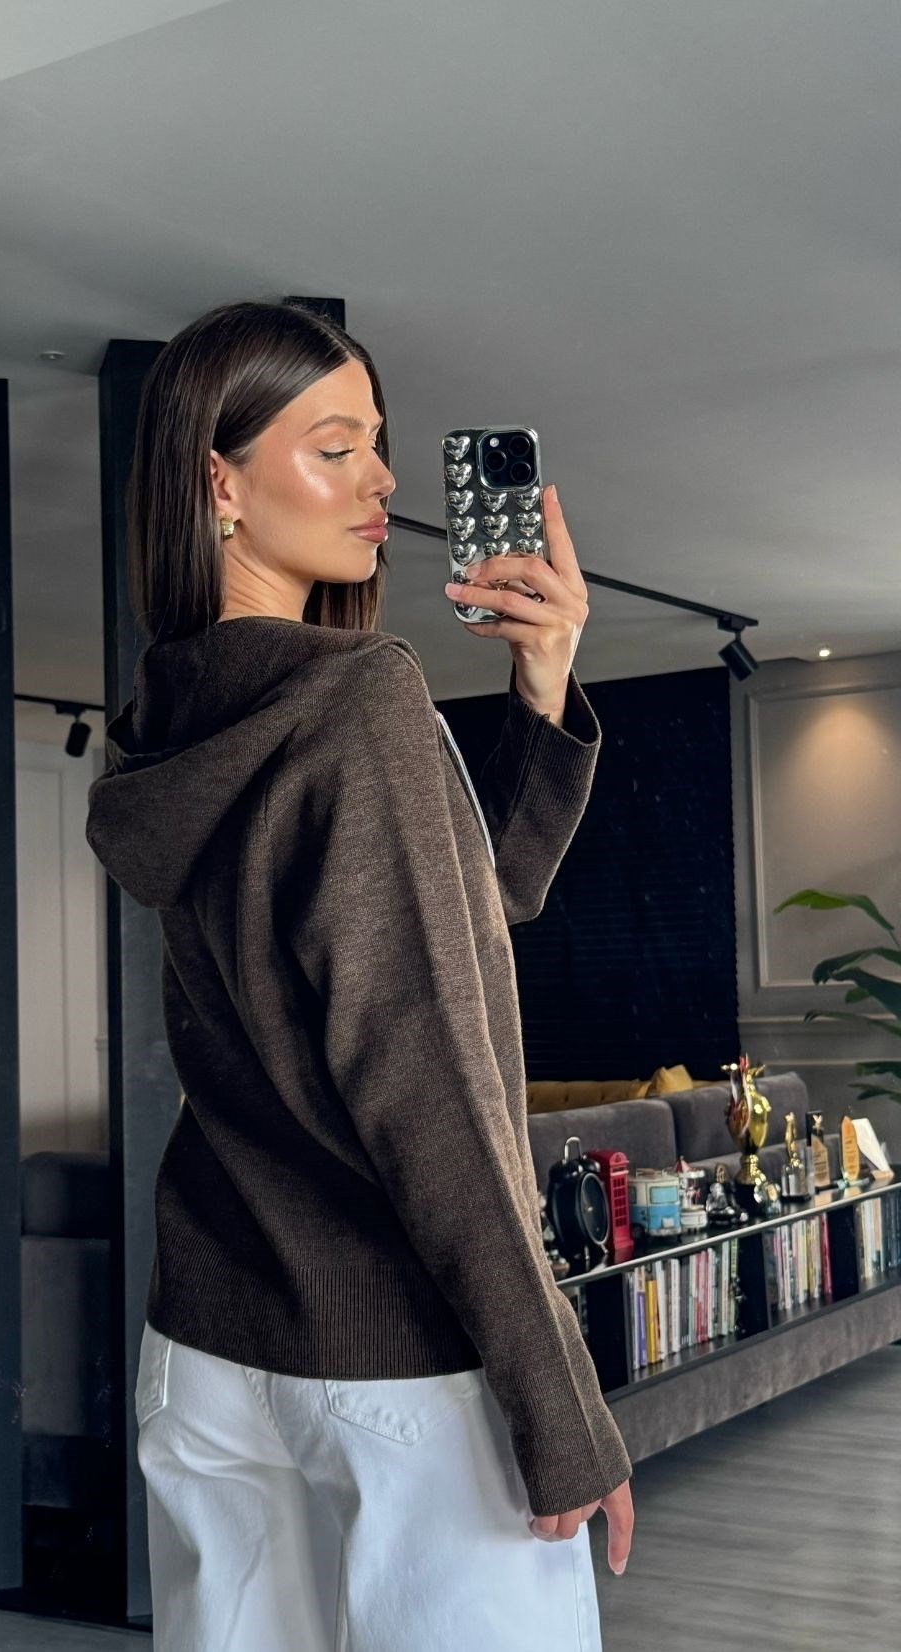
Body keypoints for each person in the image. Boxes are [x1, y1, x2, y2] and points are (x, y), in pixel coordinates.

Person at [85, 299, 634, 1652]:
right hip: (394, 1357)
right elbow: (424, 1068)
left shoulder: (169, 718)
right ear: (222, 483)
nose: (382, 479)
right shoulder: (361, 696)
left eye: (377, 444)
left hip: (206, 1349)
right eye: (335, 448)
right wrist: (561, 1404)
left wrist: (545, 685)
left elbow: (469, 912)